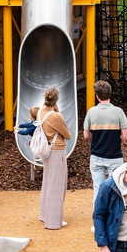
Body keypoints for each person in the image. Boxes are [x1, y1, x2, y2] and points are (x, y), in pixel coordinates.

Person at [84, 80, 127, 206]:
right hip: (114, 155)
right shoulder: (119, 112)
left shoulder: (91, 112)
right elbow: (125, 136)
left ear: (97, 96)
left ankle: (98, 221)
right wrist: (117, 140)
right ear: (110, 94)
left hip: (97, 155)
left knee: (98, 188)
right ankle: (114, 220)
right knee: (116, 188)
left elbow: (86, 135)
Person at [38, 86, 72, 229]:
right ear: (57, 100)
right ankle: (53, 221)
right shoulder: (55, 116)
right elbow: (68, 135)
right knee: (57, 186)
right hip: (57, 150)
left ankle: (45, 215)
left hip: (47, 149)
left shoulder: (41, 111)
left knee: (47, 182)